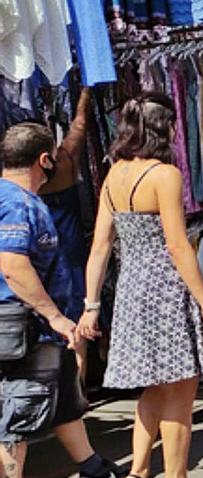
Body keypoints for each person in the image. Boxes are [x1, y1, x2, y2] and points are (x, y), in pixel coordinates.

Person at [77, 93, 203, 478]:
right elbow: (177, 246)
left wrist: (91, 306)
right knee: (180, 387)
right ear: (164, 129)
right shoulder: (164, 175)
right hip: (166, 288)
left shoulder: (114, 174)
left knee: (154, 387)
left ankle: (137, 475)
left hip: (131, 289)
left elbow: (100, 248)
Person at [0, 123, 124, 478]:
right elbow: (13, 265)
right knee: (17, 410)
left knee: (63, 394)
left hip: (40, 328)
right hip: (21, 325)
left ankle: (92, 469)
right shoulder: (16, 203)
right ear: (44, 160)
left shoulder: (14, 198)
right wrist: (53, 315)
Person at [39, 87, 92, 379]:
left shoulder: (24, 181)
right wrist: (85, 91)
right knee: (75, 318)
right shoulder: (67, 162)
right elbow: (80, 125)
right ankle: (78, 385)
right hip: (70, 258)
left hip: (40, 261)